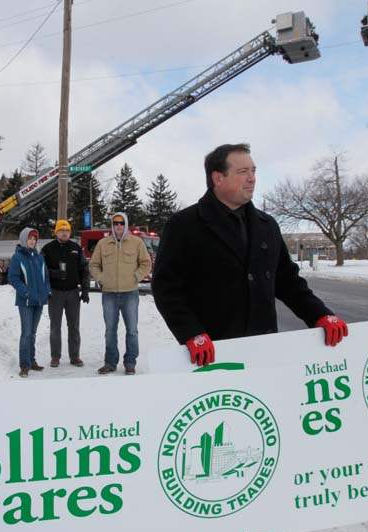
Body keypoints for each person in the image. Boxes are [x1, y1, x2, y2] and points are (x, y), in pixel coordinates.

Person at [152, 143, 348, 367]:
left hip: (264, 350)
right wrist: (191, 332)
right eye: (243, 172)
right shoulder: (184, 225)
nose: (252, 178)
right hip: (212, 353)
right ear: (218, 178)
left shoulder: (267, 225)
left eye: (253, 171)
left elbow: (287, 281)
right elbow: (167, 288)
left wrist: (319, 314)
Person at [89, 212, 152, 375]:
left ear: (125, 224)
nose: (118, 226)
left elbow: (146, 263)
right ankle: (110, 362)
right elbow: (94, 265)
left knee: (132, 330)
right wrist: (102, 278)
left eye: (121, 223)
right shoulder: (103, 244)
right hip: (109, 294)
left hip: (130, 293)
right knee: (110, 330)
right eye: (115, 223)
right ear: (112, 225)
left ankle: (130, 362)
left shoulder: (136, 242)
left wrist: (136, 277)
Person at [41, 219, 90, 368]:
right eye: (61, 230)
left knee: (74, 326)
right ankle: (55, 356)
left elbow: (84, 270)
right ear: (56, 232)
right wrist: (54, 273)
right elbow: (41, 271)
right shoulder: (47, 249)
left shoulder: (76, 248)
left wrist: (85, 290)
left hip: (73, 293)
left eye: (67, 231)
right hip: (55, 293)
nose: (64, 233)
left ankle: (75, 356)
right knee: (55, 326)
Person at [8, 226, 52, 377]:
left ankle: (32, 361)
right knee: (26, 333)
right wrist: (25, 292)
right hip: (25, 302)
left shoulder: (39, 257)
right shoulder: (18, 257)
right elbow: (12, 277)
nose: (32, 241)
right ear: (24, 239)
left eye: (34, 239)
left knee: (33, 333)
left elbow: (46, 276)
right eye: (30, 238)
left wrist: (48, 291)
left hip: (39, 301)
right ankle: (24, 365)